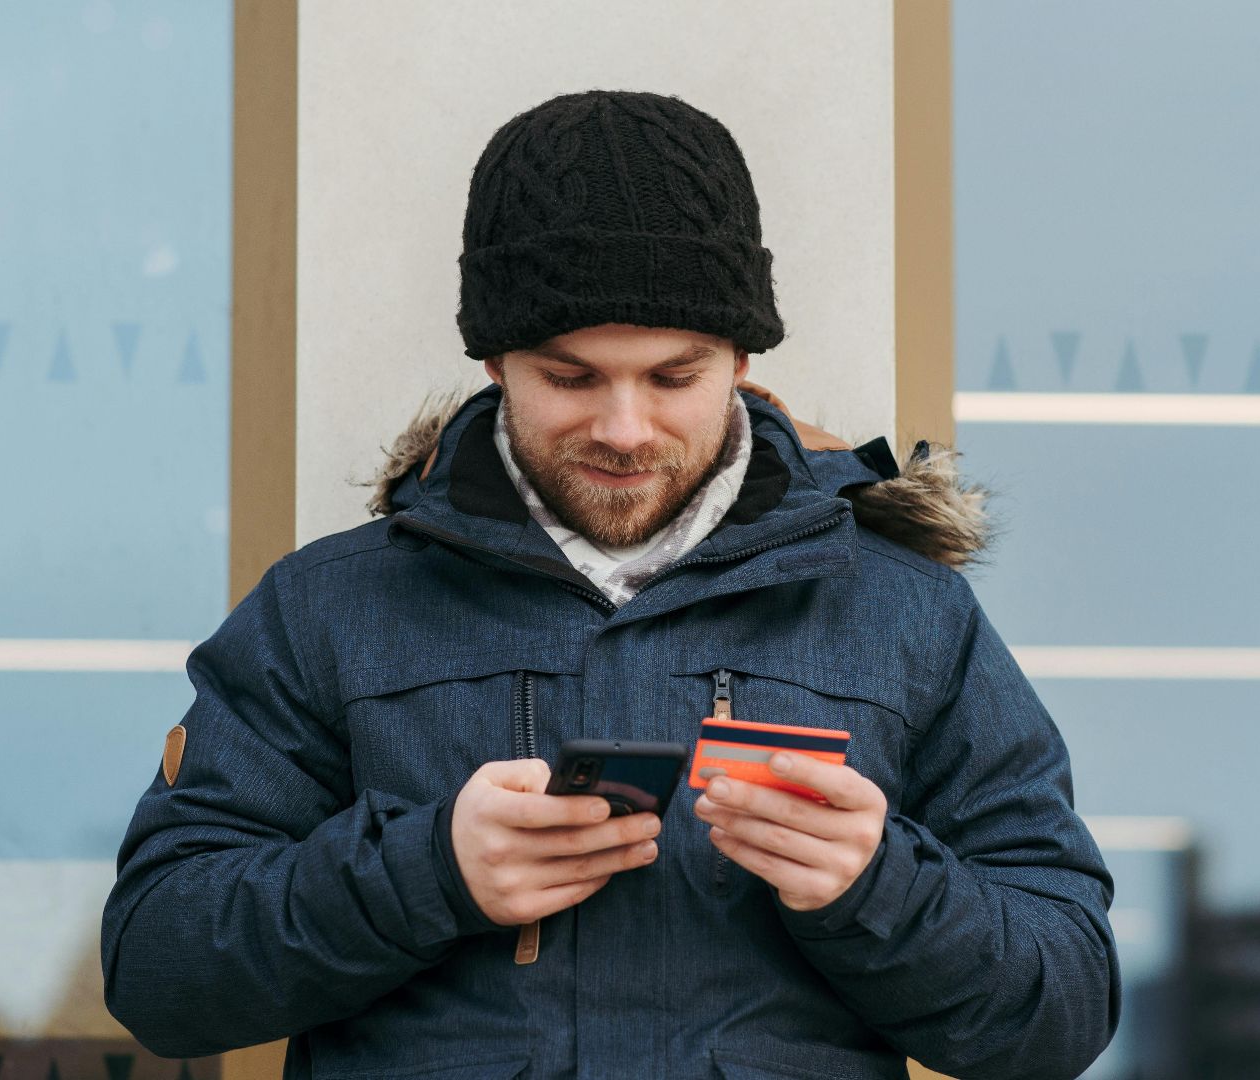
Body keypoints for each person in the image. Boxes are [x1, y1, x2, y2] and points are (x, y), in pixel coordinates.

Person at [101, 89, 1119, 1080]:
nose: (625, 429)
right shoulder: (327, 609)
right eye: (573, 377)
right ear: (496, 361)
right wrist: (425, 873)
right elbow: (159, 971)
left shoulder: (909, 616)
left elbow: (1061, 1013)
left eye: (674, 376)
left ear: (741, 359)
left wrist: (877, 885)